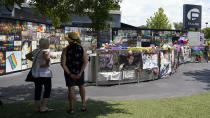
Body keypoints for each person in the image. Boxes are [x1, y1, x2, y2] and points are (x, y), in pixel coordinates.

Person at [61, 32, 88, 114]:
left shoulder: (66, 49)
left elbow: (63, 64)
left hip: (69, 73)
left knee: (71, 89)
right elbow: (85, 62)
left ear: (69, 40)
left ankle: (71, 109)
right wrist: (80, 73)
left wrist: (69, 74)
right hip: (79, 72)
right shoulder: (81, 48)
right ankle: (83, 105)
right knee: (81, 87)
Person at [26, 38, 54, 113]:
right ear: (45, 44)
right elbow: (47, 58)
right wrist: (47, 63)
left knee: (38, 90)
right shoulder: (45, 51)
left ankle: (37, 107)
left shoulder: (36, 50)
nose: (49, 44)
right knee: (47, 89)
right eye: (48, 43)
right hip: (45, 74)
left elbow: (27, 56)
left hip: (36, 74)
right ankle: (43, 107)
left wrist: (35, 61)